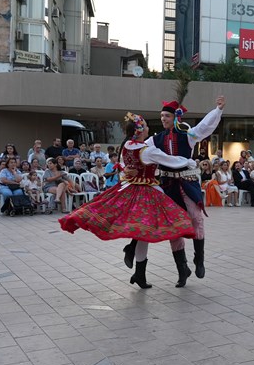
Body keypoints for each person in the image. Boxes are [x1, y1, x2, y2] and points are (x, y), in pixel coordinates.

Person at [60, 113, 197, 289]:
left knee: (141, 234)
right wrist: (188, 162)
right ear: (140, 131)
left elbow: (125, 165)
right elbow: (170, 160)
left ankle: (140, 273)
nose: (148, 128)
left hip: (130, 189)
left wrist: (128, 171)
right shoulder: (147, 150)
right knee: (170, 221)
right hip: (147, 193)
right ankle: (146, 271)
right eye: (145, 126)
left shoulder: (127, 146)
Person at [127, 97, 225, 287]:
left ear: (175, 118)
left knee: (196, 218)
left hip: (187, 182)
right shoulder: (155, 139)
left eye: (167, 116)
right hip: (168, 185)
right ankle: (182, 269)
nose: (163, 119)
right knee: (174, 227)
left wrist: (218, 110)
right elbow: (138, 148)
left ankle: (199, 259)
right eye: (161, 116)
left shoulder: (188, 135)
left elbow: (205, 127)